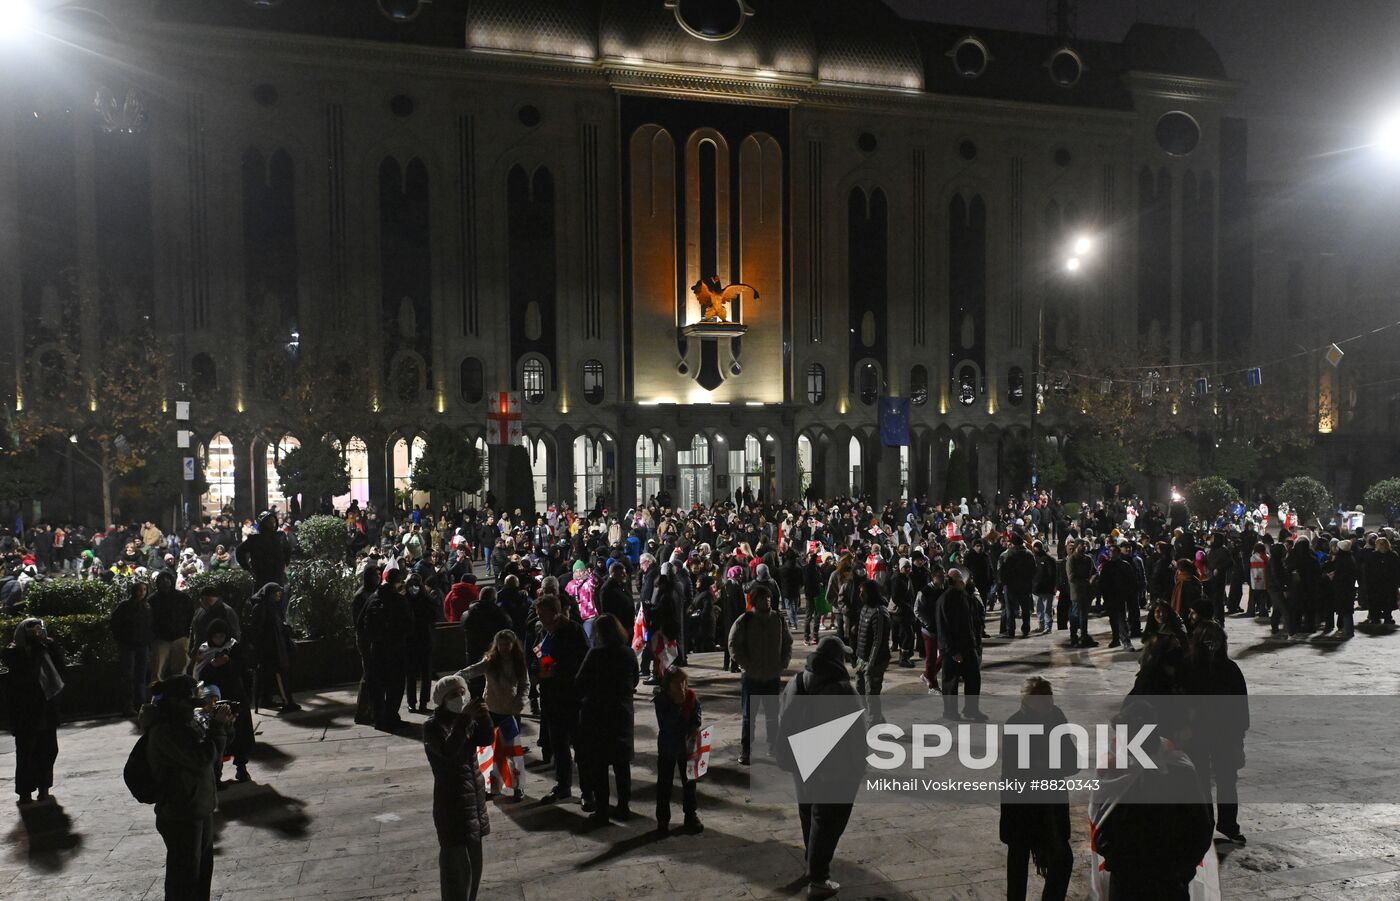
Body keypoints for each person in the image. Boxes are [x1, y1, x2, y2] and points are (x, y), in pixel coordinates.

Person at [1090, 699, 1215, 901]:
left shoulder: (1179, 771)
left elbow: (1199, 828)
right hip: (1129, 879)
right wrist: (1116, 858)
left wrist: (1181, 872)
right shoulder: (1115, 771)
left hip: (1166, 881)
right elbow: (1100, 820)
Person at [776, 635, 864, 900]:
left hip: (801, 760)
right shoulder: (844, 690)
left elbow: (783, 717)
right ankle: (818, 878)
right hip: (833, 768)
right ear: (837, 660)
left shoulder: (797, 681)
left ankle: (811, 863)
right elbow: (857, 734)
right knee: (829, 819)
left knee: (809, 812)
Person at [141, 673, 233, 900]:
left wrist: (222, 726)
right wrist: (216, 729)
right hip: (181, 811)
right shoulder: (165, 731)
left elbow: (215, 757)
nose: (195, 706)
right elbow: (200, 758)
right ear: (177, 701)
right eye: (191, 700)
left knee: (202, 873)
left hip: (199, 805)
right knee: (184, 878)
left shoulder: (186, 722)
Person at [1000, 677, 1075, 901]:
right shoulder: (1015, 724)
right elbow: (1017, 769)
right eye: (1043, 699)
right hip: (1023, 804)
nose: (1048, 703)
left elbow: (1072, 761)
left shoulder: (1056, 717)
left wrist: (1047, 765)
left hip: (1051, 801)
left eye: (1050, 697)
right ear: (1028, 701)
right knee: (1018, 860)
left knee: (1062, 859)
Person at [423, 675, 495, 901]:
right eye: (453, 694)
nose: (460, 697)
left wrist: (483, 717)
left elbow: (484, 740)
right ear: (442, 700)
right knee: (456, 870)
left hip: (473, 800)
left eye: (462, 692)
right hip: (451, 804)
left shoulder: (465, 719)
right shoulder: (432, 726)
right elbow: (448, 753)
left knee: (474, 867)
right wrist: (465, 719)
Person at [1180, 621, 1249, 845]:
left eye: (1216, 641)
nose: (1212, 646)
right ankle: (1204, 826)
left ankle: (1229, 826)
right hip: (1197, 735)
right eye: (1207, 641)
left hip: (1225, 734)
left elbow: (1241, 707)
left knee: (1227, 781)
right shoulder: (1188, 668)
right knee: (1199, 783)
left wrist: (1239, 738)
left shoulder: (1230, 670)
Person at [574, 613, 641, 824]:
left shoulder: (595, 654)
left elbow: (580, 683)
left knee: (600, 765)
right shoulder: (628, 653)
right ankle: (623, 806)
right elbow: (635, 679)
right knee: (622, 766)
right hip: (621, 713)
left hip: (597, 715)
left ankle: (602, 810)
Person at [457, 629, 530, 801]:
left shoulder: (519, 663)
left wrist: (520, 702)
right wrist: (456, 681)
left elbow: (525, 684)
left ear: (513, 645)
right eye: (501, 644)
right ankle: (493, 786)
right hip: (491, 711)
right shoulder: (490, 662)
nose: (504, 648)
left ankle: (518, 786)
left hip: (511, 711)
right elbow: (470, 671)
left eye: (507, 644)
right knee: (491, 751)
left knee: (513, 752)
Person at [727, 583, 793, 766]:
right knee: (749, 717)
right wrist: (745, 664)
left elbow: (787, 642)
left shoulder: (778, 619)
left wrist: (783, 662)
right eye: (764, 598)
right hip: (752, 677)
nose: (768, 601)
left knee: (773, 715)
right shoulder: (745, 620)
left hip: (772, 675)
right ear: (755, 600)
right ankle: (746, 749)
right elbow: (733, 644)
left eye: (769, 598)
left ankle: (774, 746)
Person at [3, 618, 66, 803]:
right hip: (25, 711)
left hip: (46, 708)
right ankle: (25, 791)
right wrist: (36, 649)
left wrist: (50, 645)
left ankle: (44, 787)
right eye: (32, 630)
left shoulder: (46, 647)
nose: (37, 632)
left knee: (48, 749)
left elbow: (60, 670)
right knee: (26, 751)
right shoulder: (14, 652)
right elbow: (27, 675)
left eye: (39, 628)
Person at [535, 592, 590, 803]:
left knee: (580, 747)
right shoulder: (543, 633)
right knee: (558, 746)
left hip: (571, 698)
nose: (539, 618)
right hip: (550, 698)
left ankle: (587, 791)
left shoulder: (573, 631)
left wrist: (558, 670)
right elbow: (536, 655)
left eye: (542, 614)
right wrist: (537, 672)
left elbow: (584, 662)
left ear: (556, 613)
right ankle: (563, 785)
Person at [190, 619, 253, 783]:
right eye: (215, 636)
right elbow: (199, 676)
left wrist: (228, 662)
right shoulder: (204, 650)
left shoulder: (234, 647)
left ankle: (241, 767)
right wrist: (212, 665)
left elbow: (244, 668)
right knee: (217, 737)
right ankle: (216, 774)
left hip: (236, 696)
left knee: (239, 734)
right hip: (214, 700)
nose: (218, 639)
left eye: (221, 636)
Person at [652, 667, 703, 837]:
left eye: (683, 682)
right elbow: (666, 725)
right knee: (664, 783)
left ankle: (691, 815)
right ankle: (663, 819)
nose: (681, 686)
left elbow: (697, 715)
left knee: (689, 781)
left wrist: (695, 727)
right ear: (668, 686)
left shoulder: (691, 697)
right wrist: (678, 707)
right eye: (677, 683)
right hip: (669, 745)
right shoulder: (662, 700)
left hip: (687, 745)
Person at [364, 569, 414, 732]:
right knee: (395, 685)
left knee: (379, 686)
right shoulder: (399, 600)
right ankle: (391, 717)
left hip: (376, 649)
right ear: (399, 582)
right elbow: (409, 624)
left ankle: (379, 718)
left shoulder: (372, 598)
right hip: (395, 649)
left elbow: (361, 623)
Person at [936, 568, 986, 721]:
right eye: (961, 580)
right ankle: (950, 712)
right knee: (951, 682)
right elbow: (943, 628)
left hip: (967, 646)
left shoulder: (964, 596)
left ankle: (971, 709)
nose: (964, 582)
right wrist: (952, 651)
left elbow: (971, 622)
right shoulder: (946, 599)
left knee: (973, 678)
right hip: (953, 649)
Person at [246, 582, 300, 712]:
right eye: (276, 593)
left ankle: (268, 700)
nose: (279, 595)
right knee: (280, 675)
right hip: (271, 649)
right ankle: (287, 702)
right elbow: (258, 630)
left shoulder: (269, 606)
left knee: (272, 676)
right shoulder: (261, 607)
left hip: (274, 647)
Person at [111, 581, 154, 716]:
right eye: (140, 590)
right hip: (129, 646)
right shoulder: (125, 606)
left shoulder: (147, 607)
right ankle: (128, 705)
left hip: (142, 645)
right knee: (128, 676)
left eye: (144, 590)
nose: (142, 593)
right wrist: (122, 639)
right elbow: (115, 624)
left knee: (141, 676)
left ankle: (140, 704)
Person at [852, 579, 890, 726]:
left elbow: (878, 640)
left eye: (863, 592)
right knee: (860, 688)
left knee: (871, 693)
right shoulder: (865, 608)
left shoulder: (880, 612)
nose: (860, 595)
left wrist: (872, 662)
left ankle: (874, 722)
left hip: (875, 660)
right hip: (862, 657)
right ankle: (876, 716)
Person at [149, 570, 196, 680]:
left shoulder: (183, 598)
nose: (165, 583)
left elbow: (191, 615)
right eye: (162, 580)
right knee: (157, 671)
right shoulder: (153, 600)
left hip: (180, 638)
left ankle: (179, 694)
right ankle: (157, 695)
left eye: (167, 580)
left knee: (180, 671)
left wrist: (186, 634)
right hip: (160, 640)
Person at [405, 573, 440, 713]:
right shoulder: (426, 599)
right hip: (422, 640)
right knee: (424, 674)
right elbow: (435, 616)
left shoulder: (405, 599)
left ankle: (413, 702)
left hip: (413, 641)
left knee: (413, 674)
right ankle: (421, 702)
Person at [189, 583, 241, 651]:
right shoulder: (200, 610)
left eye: (208, 600)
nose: (204, 603)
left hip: (219, 653)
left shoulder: (227, 611)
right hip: (201, 652)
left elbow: (235, 635)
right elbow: (195, 631)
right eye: (202, 600)